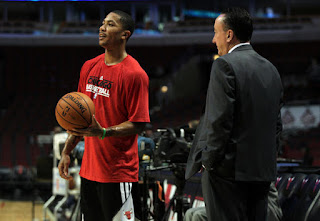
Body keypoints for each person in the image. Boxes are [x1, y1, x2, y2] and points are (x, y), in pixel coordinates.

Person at [185, 7, 283, 221]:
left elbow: (220, 122)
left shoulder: (224, 65)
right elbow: (276, 125)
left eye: (215, 32)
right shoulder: (271, 69)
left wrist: (208, 162)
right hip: (262, 172)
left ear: (229, 35)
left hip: (228, 174)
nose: (213, 39)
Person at [58, 10, 150, 221]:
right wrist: (66, 151)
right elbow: (79, 120)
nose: (102, 28)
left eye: (110, 24)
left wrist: (104, 132)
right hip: (89, 172)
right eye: (102, 24)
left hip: (118, 174)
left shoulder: (135, 74)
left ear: (124, 34)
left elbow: (139, 123)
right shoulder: (89, 66)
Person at [183, 182, 283, 221]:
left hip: (265, 210)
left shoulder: (255, 164)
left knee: (198, 215)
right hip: (241, 207)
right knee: (190, 213)